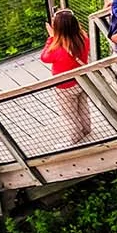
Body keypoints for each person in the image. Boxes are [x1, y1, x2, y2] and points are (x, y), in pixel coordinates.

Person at [39, 8, 92, 142]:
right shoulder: (83, 38)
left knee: (69, 113)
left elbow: (44, 58)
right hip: (81, 80)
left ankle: (75, 138)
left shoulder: (56, 48)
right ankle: (87, 130)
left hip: (65, 86)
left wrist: (51, 38)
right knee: (83, 107)